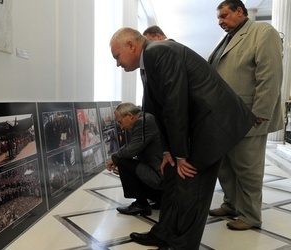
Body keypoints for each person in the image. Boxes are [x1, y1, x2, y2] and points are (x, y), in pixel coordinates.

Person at [110, 27, 257, 250]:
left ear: (131, 46)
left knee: (192, 188)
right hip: (196, 126)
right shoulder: (148, 60)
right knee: (171, 176)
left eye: (117, 56)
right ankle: (163, 233)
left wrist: (180, 154)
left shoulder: (159, 52)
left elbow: (175, 104)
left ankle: (183, 245)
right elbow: (159, 111)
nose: (117, 63)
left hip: (212, 126)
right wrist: (168, 152)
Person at [208, 0, 283, 231]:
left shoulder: (263, 32)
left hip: (248, 116)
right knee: (225, 166)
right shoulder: (227, 39)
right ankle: (231, 203)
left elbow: (269, 75)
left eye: (224, 16)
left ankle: (251, 215)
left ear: (240, 11)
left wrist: (259, 112)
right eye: (218, 18)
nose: (220, 22)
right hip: (223, 119)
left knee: (248, 169)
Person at [106, 102, 164, 215]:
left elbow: (131, 149)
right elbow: (133, 146)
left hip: (160, 177)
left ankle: (141, 204)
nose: (121, 127)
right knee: (125, 162)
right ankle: (159, 198)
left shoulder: (143, 122)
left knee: (123, 163)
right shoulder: (146, 119)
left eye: (120, 122)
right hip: (160, 171)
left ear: (129, 116)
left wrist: (114, 159)